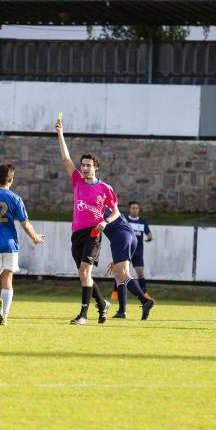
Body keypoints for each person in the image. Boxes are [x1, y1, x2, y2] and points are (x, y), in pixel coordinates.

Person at [55, 117, 115, 325]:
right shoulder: (78, 180)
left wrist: (105, 222)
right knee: (83, 274)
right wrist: (60, 133)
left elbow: (115, 212)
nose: (85, 168)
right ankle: (103, 304)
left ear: (96, 167)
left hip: (93, 232)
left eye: (89, 165)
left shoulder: (105, 188)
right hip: (77, 233)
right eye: (83, 165)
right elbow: (65, 158)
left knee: (85, 271)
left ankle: (83, 315)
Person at [0, 163, 45, 325]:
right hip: (10, 245)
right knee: (7, 280)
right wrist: (35, 237)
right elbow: (25, 223)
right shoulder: (15, 198)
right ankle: (4, 315)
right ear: (11, 179)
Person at [103, 207, 155, 321]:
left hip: (120, 237)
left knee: (123, 274)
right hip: (130, 237)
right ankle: (122, 311)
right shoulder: (111, 208)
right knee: (118, 274)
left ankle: (145, 300)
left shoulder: (96, 208)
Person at [110, 200, 153, 301]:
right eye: (133, 208)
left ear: (139, 210)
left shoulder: (142, 222)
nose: (135, 210)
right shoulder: (125, 220)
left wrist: (149, 238)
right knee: (120, 271)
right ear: (129, 209)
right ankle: (115, 292)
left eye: (136, 208)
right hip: (126, 251)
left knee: (140, 272)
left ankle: (144, 293)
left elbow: (149, 235)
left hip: (137, 252)